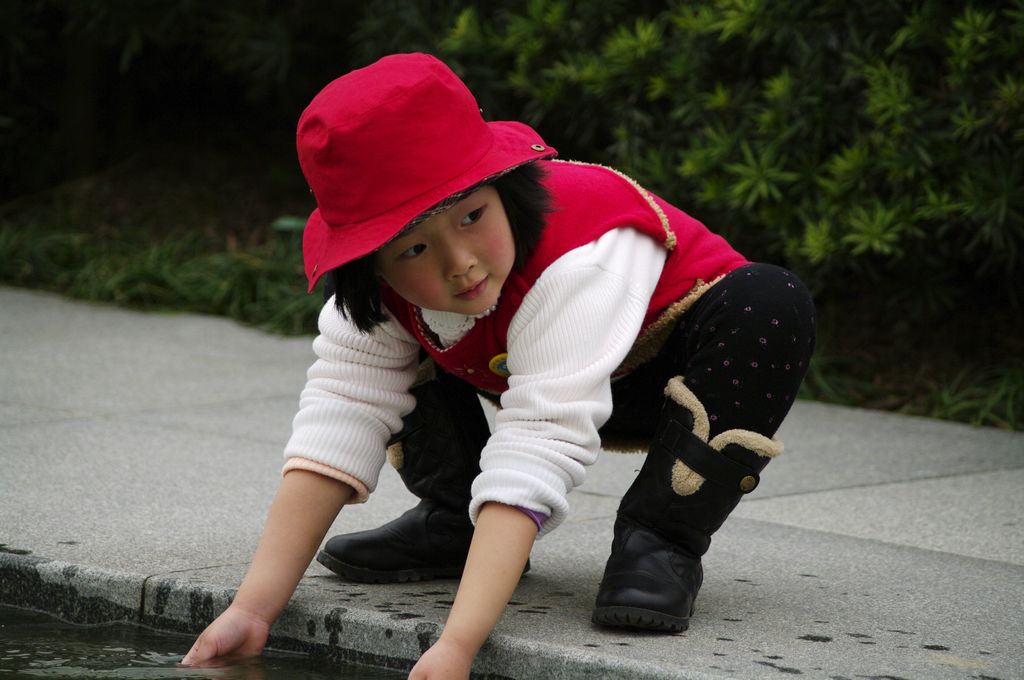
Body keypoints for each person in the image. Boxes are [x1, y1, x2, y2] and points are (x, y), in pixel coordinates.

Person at [182, 52, 815, 678]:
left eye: (473, 216)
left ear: (501, 186)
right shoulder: (379, 296)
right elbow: (341, 418)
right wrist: (252, 610)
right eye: (415, 247)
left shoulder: (580, 257)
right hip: (517, 362)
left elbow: (537, 443)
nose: (460, 263)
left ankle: (660, 539)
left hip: (677, 374)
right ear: (368, 261)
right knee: (393, 359)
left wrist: (457, 645)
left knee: (770, 300)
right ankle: (454, 519)